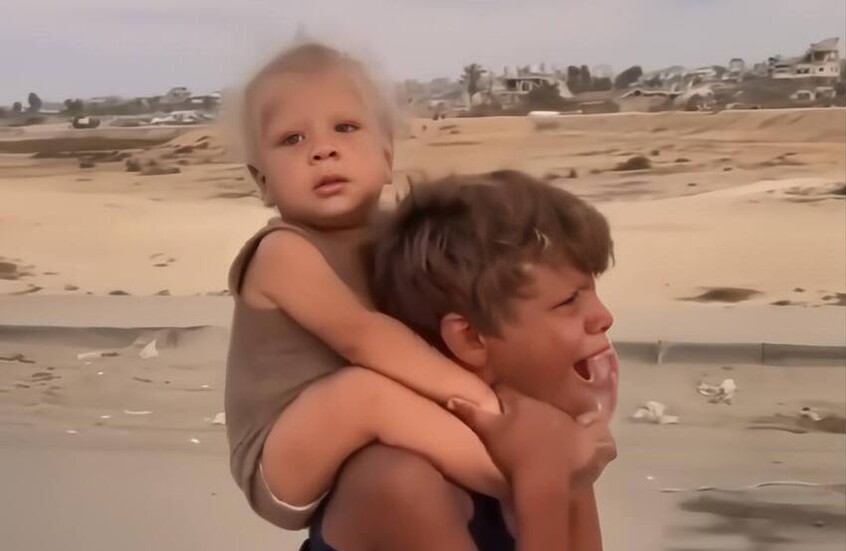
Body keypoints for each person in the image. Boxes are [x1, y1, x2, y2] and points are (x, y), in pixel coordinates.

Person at [225, 42, 506, 530]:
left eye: (345, 127)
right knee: (365, 391)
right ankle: (510, 478)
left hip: (376, 427)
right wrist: (478, 398)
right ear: (262, 181)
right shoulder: (282, 253)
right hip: (284, 455)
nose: (322, 149)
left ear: (386, 154)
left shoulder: (398, 235)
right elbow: (364, 337)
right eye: (292, 138)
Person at [304, 171, 619, 550]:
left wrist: (565, 474)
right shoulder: (399, 482)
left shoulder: (549, 434)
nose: (604, 316)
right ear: (470, 337)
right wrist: (545, 479)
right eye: (568, 301)